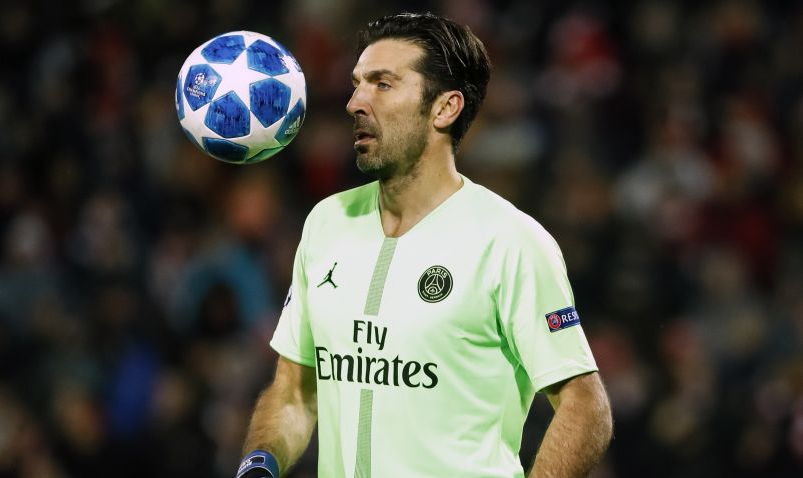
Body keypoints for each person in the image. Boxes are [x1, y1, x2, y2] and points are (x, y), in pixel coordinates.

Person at [236, 12, 613, 478]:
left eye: (383, 84)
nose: (355, 101)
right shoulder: (326, 223)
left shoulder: (510, 240)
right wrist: (259, 464)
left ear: (445, 108)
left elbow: (585, 404)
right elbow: (294, 393)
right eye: (356, 84)